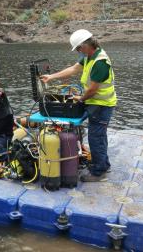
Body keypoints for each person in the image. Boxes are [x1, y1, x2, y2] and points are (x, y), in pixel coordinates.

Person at [40, 29, 117, 182]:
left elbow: (93, 89)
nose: (78, 52)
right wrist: (51, 76)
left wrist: (80, 99)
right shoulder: (90, 56)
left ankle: (98, 173)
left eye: (79, 48)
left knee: (96, 138)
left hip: (101, 105)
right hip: (96, 103)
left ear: (86, 45)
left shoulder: (100, 62)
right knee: (99, 136)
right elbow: (74, 69)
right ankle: (104, 164)